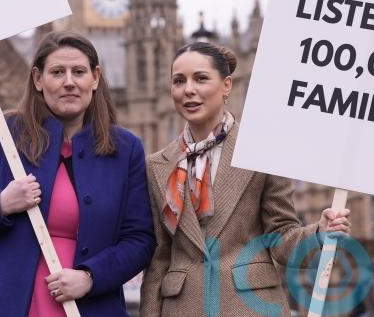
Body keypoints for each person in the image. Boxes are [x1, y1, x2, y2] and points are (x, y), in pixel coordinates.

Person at [0, 31, 156, 316]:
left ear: (95, 78)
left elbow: (140, 240)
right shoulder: (6, 133)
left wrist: (90, 277)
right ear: (38, 79)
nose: (69, 82)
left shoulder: (125, 148)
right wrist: (2, 204)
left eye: (78, 72)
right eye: (57, 72)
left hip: (90, 307)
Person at [139, 41, 352, 316]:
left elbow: (280, 236)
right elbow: (159, 260)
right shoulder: (157, 165)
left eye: (201, 78)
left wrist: (320, 234)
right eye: (178, 81)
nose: (188, 90)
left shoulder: (262, 151)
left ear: (227, 85)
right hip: (182, 308)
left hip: (250, 307)